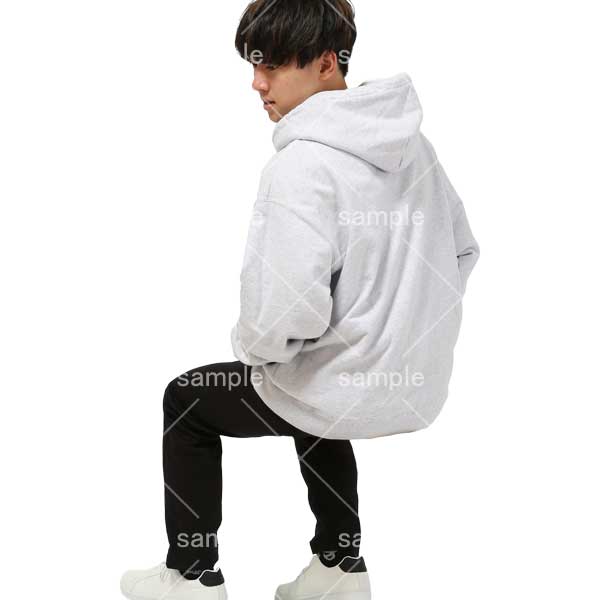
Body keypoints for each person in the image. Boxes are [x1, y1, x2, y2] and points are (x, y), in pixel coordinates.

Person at [120, 1, 480, 599]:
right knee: (316, 386)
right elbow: (462, 250)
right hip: (415, 385)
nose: (257, 83)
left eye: (272, 66)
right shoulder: (415, 149)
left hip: (346, 385)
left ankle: (192, 575)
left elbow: (284, 317)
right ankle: (339, 568)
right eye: (253, 65)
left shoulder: (302, 164)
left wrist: (256, 348)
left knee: (188, 400)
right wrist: (401, 334)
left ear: (325, 63)